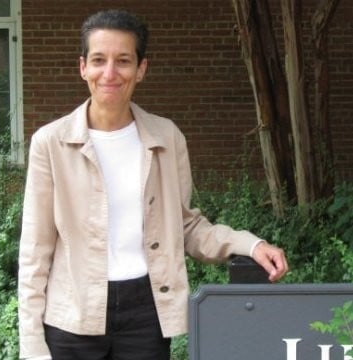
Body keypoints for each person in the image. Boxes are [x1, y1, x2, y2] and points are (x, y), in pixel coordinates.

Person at [18, 9, 288, 360]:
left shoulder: (166, 137)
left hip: (145, 314)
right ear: (83, 66)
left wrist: (250, 245)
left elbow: (187, 225)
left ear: (141, 69)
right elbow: (35, 253)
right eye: (99, 60)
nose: (110, 73)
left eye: (124, 60)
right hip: (73, 317)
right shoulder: (50, 143)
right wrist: (32, 346)